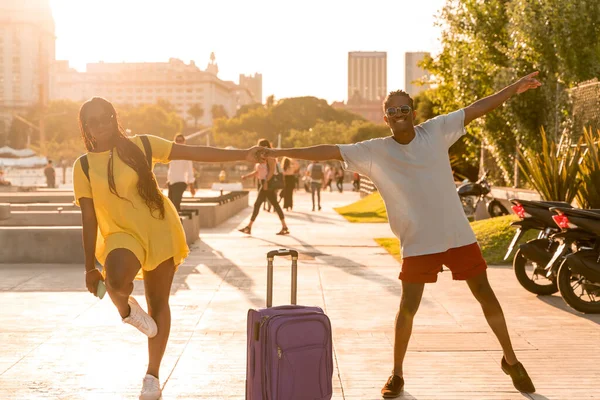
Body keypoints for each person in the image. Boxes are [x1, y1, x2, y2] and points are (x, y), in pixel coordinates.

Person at [263, 72, 542, 397]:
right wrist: (278, 152)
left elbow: (477, 108)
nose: (399, 115)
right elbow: (328, 150)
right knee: (408, 307)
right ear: (385, 118)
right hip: (418, 243)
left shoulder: (436, 131)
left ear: (413, 112)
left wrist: (514, 87)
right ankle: (397, 374)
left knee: (485, 295)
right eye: (392, 111)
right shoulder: (374, 151)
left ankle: (511, 359)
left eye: (404, 109)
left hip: (457, 236)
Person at [73, 97, 263, 400]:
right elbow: (88, 216)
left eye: (105, 117)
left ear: (114, 117)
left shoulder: (142, 145)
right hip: (122, 235)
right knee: (116, 283)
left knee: (158, 302)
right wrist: (88, 266)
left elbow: (194, 153)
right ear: (85, 128)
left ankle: (152, 376)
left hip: (158, 227)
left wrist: (245, 154)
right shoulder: (82, 166)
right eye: (92, 122)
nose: (100, 125)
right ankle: (127, 311)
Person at [238, 138, 289, 235]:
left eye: (260, 146)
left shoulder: (270, 157)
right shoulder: (261, 157)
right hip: (264, 182)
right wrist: (247, 176)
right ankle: (284, 226)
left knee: (258, 204)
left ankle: (249, 227)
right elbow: (258, 172)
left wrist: (266, 182)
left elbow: (271, 171)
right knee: (275, 204)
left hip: (268, 183)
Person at [167, 134, 195, 212]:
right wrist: (168, 180)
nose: (179, 142)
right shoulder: (172, 154)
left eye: (180, 141)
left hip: (181, 182)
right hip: (171, 182)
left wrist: (191, 185)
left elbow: (189, 170)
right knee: (170, 205)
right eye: (177, 141)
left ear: (184, 142)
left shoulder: (186, 155)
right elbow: (171, 169)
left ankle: (178, 222)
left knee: (176, 204)